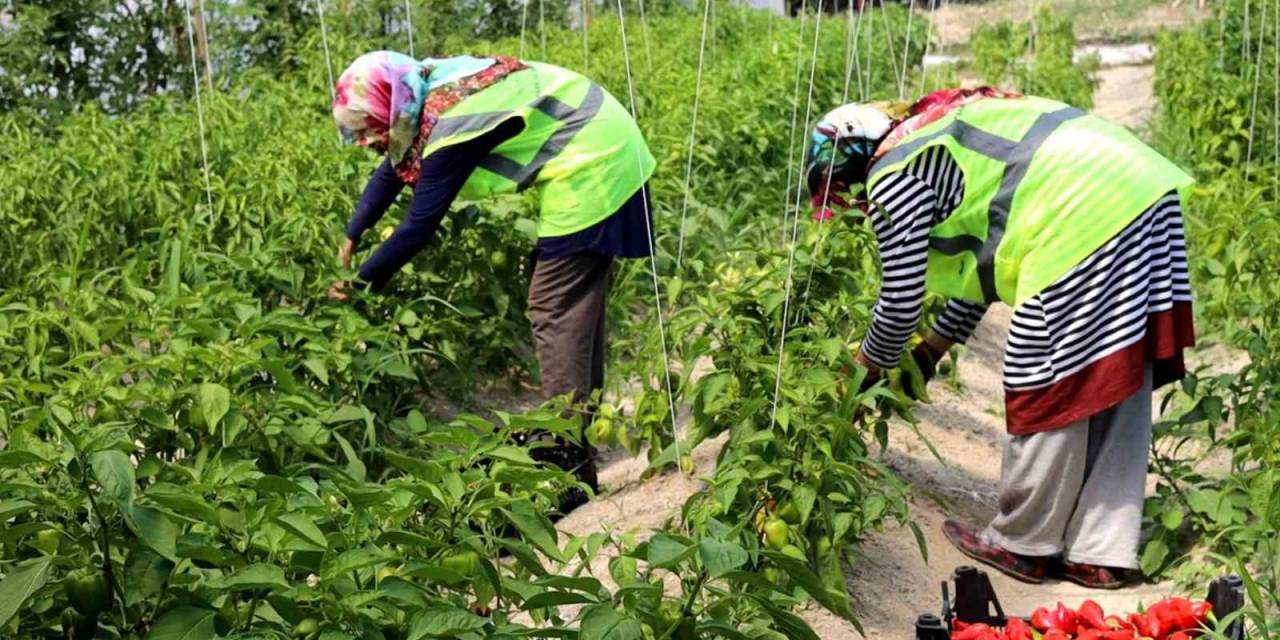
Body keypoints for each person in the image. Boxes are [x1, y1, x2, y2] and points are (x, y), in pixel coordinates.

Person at [805, 87, 1196, 589]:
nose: (856, 208)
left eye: (844, 194)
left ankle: (1024, 544)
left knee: (1042, 369)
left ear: (851, 170)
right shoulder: (932, 132)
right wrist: (928, 354)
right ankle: (1101, 552)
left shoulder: (892, 174)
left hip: (1082, 206)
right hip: (1140, 192)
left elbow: (899, 301)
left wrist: (861, 376)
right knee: (1113, 368)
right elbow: (982, 277)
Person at [329, 51, 655, 514]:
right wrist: (352, 234)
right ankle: (577, 446)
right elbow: (393, 171)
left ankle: (564, 465)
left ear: (390, 107)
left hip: (593, 163)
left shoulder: (451, 125)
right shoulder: (425, 94)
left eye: (367, 129)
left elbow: (418, 225)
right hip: (604, 146)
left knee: (554, 306)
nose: (364, 142)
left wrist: (358, 285)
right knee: (573, 305)